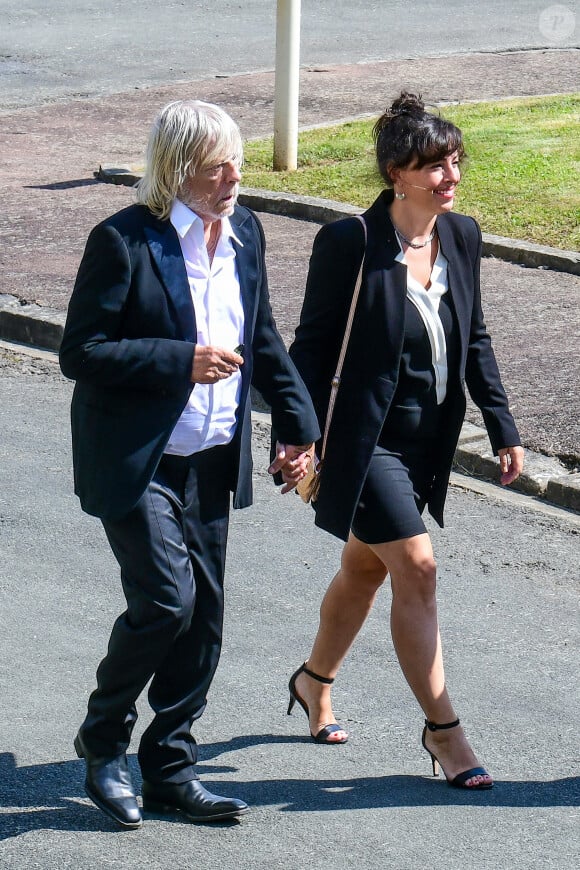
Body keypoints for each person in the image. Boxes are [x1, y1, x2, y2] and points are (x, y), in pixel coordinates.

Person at [59, 99, 319, 828]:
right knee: (166, 602)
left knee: (202, 619)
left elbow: (262, 338)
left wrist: (297, 425)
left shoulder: (244, 231)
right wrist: (182, 360)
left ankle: (170, 766)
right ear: (178, 172)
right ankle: (104, 739)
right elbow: (80, 353)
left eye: (237, 160)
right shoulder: (123, 241)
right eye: (217, 166)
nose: (235, 177)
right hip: (137, 459)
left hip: (211, 456)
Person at [286, 93, 524, 789]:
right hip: (365, 444)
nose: (451, 177)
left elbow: (474, 337)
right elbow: (312, 347)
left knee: (366, 569)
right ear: (397, 172)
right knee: (416, 566)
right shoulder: (351, 244)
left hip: (427, 442)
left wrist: (503, 425)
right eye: (434, 166)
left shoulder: (463, 236)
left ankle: (313, 680)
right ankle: (444, 731)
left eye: (454, 162)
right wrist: (297, 433)